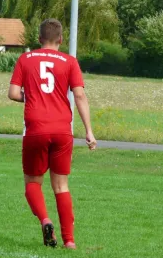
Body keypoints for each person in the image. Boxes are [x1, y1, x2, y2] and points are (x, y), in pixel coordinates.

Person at [8, 18, 97, 249]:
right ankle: (69, 242)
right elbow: (79, 96)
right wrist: (89, 131)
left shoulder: (25, 59)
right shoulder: (69, 61)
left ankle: (45, 221)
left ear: (38, 39)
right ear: (60, 39)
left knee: (32, 183)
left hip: (36, 128)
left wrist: (33, 98)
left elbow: (13, 93)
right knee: (61, 186)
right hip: (62, 130)